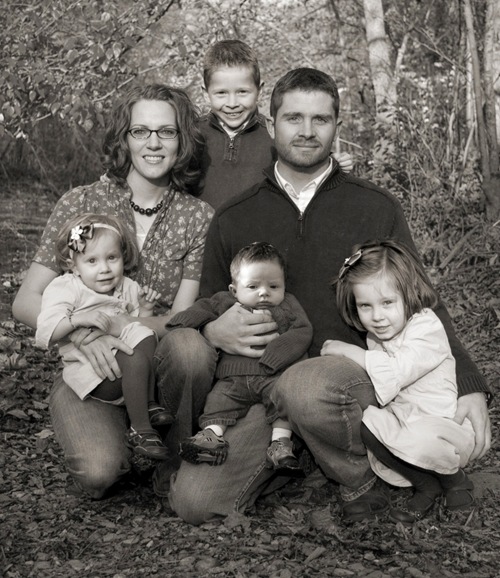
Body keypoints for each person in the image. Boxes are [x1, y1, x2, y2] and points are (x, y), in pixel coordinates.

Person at [157, 67, 491, 525]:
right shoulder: (235, 215)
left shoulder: (374, 206)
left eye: (321, 119)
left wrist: (468, 384)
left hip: (348, 382)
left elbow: (420, 301)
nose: (307, 130)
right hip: (262, 387)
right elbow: (212, 301)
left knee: (306, 385)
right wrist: (213, 331)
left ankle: (362, 474)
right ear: (272, 123)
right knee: (195, 502)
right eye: (294, 118)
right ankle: (297, 452)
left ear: (337, 125)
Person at [12, 84, 214, 498]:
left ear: (182, 140)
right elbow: (25, 302)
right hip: (92, 370)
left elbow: (179, 321)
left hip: (156, 368)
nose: (153, 143)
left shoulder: (197, 217)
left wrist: (118, 325)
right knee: (98, 472)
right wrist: (81, 331)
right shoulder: (81, 203)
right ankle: (120, 440)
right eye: (140, 131)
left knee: (190, 348)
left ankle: (171, 455)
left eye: (167, 131)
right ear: (124, 138)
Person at [321, 239, 475, 524]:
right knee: (369, 426)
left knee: (421, 441)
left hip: (441, 424)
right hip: (407, 418)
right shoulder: (376, 337)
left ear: (408, 294)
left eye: (387, 303)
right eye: (365, 306)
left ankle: (455, 480)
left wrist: (348, 351)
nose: (377, 317)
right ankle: (425, 484)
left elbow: (398, 369)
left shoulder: (426, 327)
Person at [36, 213, 173, 460]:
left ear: (123, 257)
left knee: (145, 334)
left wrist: (146, 310)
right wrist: (77, 320)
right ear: (73, 265)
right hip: (95, 374)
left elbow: (137, 329)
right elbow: (47, 329)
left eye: (112, 258)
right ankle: (141, 429)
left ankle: (148, 403)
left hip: (131, 375)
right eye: (92, 261)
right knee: (134, 358)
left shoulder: (128, 287)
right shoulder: (67, 287)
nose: (105, 269)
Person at [167, 242, 312, 470]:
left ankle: (280, 444)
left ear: (284, 285)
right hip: (232, 379)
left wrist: (275, 356)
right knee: (218, 401)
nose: (264, 292)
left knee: (282, 402)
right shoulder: (225, 302)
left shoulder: (287, 306)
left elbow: (302, 332)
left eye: (274, 286)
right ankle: (211, 435)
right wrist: (182, 321)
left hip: (273, 375)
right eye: (253, 286)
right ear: (234, 290)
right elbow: (202, 308)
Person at [197, 39, 353, 209]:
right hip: (202, 226)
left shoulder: (275, 134)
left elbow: (305, 163)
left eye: (242, 92)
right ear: (206, 93)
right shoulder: (192, 135)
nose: (232, 103)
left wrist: (333, 163)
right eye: (221, 93)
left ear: (260, 91)